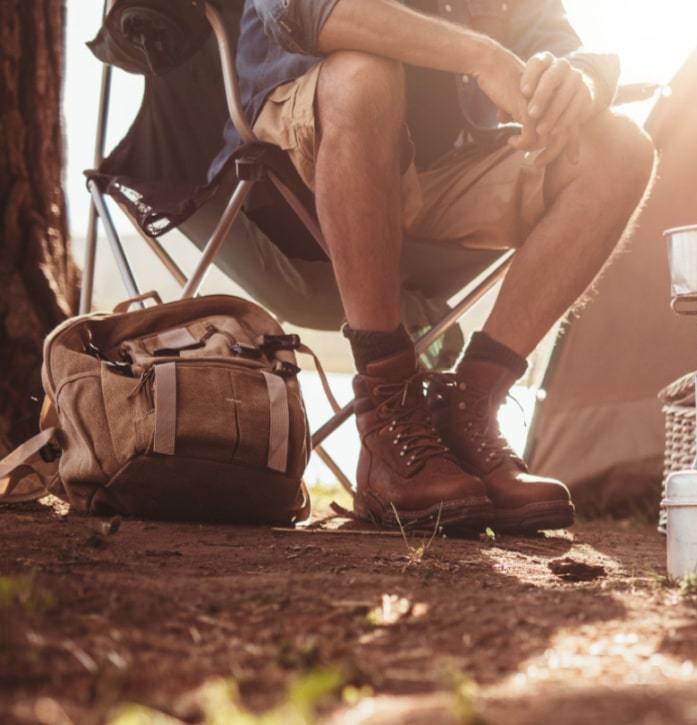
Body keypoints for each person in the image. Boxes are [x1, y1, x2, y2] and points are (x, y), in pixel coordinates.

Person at [216, 0, 656, 533]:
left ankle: (469, 412)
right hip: (299, 153)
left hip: (447, 164)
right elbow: (309, 13)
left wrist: (578, 82)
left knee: (621, 149)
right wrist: (484, 56)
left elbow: (558, 39)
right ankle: (388, 418)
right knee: (365, 75)